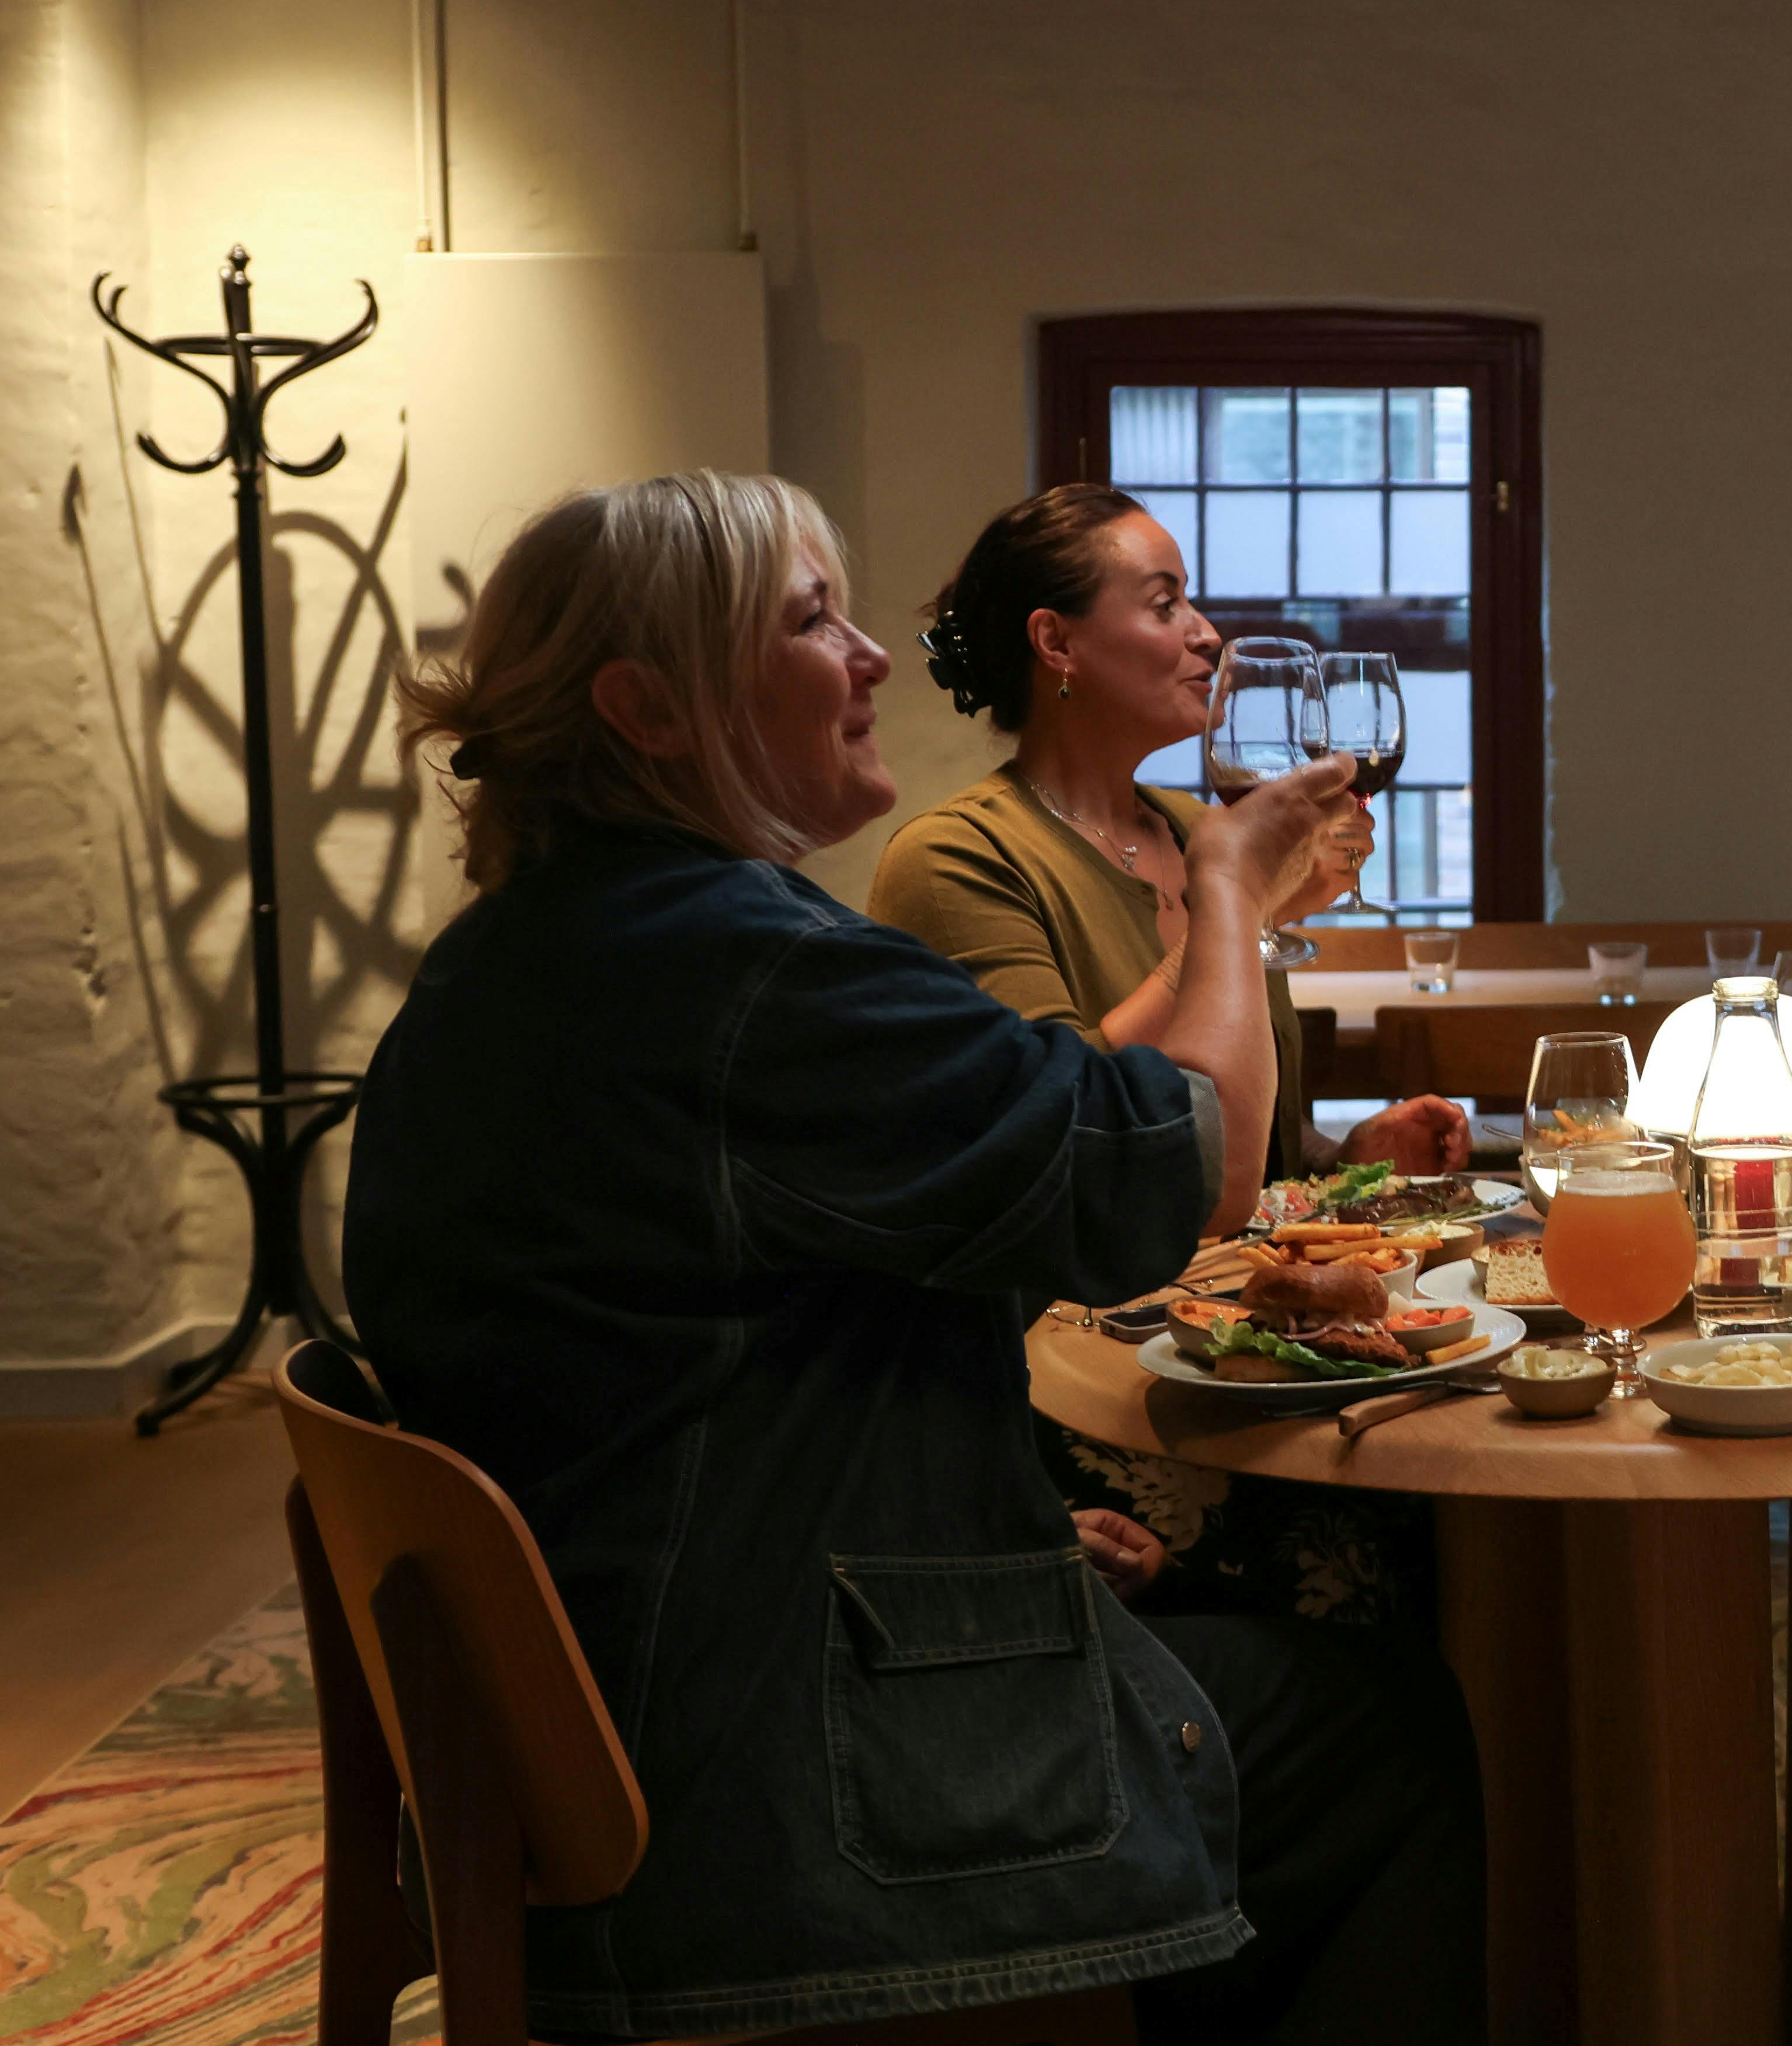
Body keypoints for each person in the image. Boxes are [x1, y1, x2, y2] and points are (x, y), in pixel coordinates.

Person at [344, 471, 1482, 2045]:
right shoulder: (758, 976)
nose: (876, 654)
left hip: (626, 1706)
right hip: (762, 1788)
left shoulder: (508, 957)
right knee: (1387, 1723)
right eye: (813, 621)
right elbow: (1178, 1166)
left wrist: (981, 1524)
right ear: (647, 708)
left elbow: (701, 1352)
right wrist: (1226, 887)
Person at [871, 488, 1458, 1625]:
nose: (1206, 633)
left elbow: (1237, 1145)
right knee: (1391, 1541)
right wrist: (1230, 913)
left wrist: (1346, 1161)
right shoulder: (957, 860)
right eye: (1165, 603)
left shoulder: (1200, 832)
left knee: (1457, 1482)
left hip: (1248, 1330)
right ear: (1056, 642)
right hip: (1084, 1363)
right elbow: (1069, 1126)